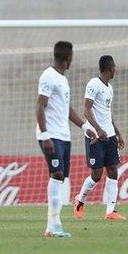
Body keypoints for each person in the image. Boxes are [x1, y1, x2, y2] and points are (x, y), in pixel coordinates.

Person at [36, 41, 96, 238]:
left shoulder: (62, 79)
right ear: (68, 57)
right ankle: (53, 225)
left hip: (64, 135)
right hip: (51, 135)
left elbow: (66, 108)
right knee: (57, 174)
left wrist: (85, 127)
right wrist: (45, 135)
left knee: (61, 177)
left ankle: (53, 226)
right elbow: (39, 106)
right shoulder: (48, 76)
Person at [73, 55, 126, 220]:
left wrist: (117, 132)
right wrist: (98, 129)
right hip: (95, 136)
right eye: (114, 67)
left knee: (113, 170)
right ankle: (80, 200)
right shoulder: (93, 84)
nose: (115, 69)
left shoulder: (109, 87)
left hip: (109, 135)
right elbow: (86, 109)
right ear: (110, 68)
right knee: (96, 174)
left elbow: (107, 113)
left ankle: (111, 211)